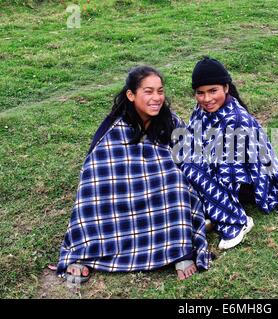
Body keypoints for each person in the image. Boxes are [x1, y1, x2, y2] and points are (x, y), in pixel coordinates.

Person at [55, 65, 213, 283]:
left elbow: (189, 156)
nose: (156, 98)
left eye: (160, 91)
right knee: (93, 185)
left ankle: (178, 249)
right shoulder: (115, 126)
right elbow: (96, 164)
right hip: (122, 188)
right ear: (131, 95)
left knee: (175, 182)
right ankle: (86, 251)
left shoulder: (170, 121)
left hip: (160, 185)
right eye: (148, 91)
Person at [176, 56, 278, 250]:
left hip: (246, 181)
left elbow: (228, 171)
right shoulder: (202, 110)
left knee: (192, 168)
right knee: (179, 162)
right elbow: (191, 141)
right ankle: (208, 210)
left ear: (226, 88)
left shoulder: (235, 119)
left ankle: (236, 221)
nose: (207, 99)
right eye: (200, 93)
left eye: (213, 91)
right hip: (220, 168)